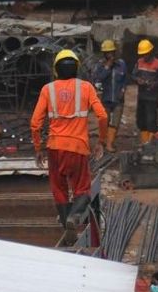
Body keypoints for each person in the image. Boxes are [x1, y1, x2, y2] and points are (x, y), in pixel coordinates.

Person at [30, 49, 108, 229]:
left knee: (59, 189)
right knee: (82, 189)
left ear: (56, 70)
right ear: (77, 68)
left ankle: (67, 225)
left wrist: (38, 148)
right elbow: (102, 116)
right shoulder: (86, 87)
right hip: (78, 148)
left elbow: (35, 123)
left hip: (54, 148)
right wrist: (101, 142)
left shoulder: (47, 89)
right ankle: (74, 217)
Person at [91, 39, 127, 152]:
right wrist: (107, 67)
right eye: (107, 53)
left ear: (114, 52)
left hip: (118, 99)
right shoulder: (100, 65)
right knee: (105, 120)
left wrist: (123, 90)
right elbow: (97, 78)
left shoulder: (121, 64)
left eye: (111, 52)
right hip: (105, 98)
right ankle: (102, 141)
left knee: (115, 121)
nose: (109, 54)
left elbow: (125, 79)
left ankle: (110, 144)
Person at [133, 39, 158, 145]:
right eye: (142, 54)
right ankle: (144, 142)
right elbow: (133, 75)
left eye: (145, 54)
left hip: (152, 97)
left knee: (151, 120)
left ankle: (151, 142)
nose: (144, 56)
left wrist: (154, 84)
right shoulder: (139, 62)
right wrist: (137, 80)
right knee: (141, 120)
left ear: (150, 52)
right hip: (142, 96)